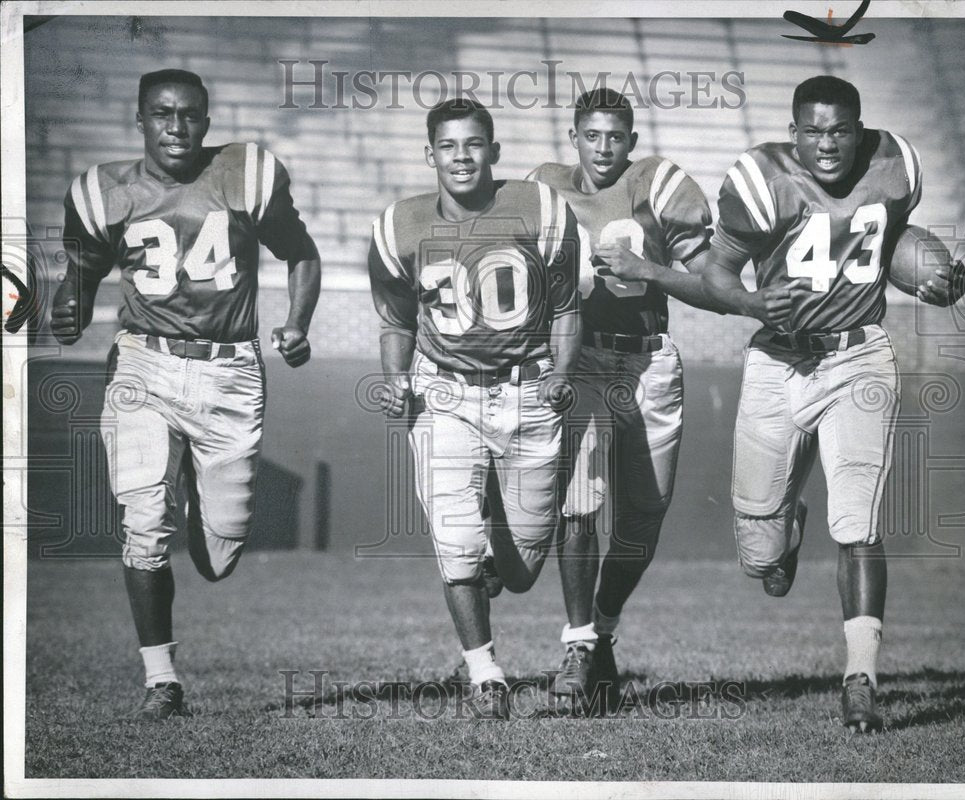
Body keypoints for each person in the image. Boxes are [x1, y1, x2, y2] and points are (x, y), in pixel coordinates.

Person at [49, 69, 321, 720]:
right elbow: (78, 286)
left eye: (191, 115)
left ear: (207, 118)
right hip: (145, 363)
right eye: (163, 114)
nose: (177, 127)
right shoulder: (101, 191)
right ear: (139, 118)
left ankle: (200, 497)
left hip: (229, 371)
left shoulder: (247, 173)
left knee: (220, 557)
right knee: (142, 527)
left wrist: (296, 323)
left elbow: (301, 253)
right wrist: (65, 309)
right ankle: (161, 679)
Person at [701, 75, 965, 732]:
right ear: (795, 132)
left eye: (840, 130)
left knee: (859, 525)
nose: (828, 144)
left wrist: (931, 269)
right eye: (814, 131)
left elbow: (895, 235)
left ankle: (861, 681)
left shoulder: (895, 162)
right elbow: (715, 270)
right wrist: (748, 303)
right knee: (760, 559)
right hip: (780, 359)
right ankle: (785, 526)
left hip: (860, 356)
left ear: (858, 126)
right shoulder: (762, 178)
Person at [368, 98, 581, 720]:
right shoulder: (399, 224)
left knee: (522, 568)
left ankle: (495, 552)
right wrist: (394, 378)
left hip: (528, 387)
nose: (461, 157)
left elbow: (567, 306)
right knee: (456, 542)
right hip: (446, 391)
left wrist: (564, 371)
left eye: (473, 144)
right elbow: (395, 318)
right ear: (429, 152)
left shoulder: (539, 208)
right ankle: (485, 672)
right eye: (448, 146)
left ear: (494, 149)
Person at [529, 89, 723, 706]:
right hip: (581, 358)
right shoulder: (543, 187)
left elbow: (710, 285)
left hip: (649, 357)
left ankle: (604, 627)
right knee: (580, 503)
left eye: (616, 136)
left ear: (632, 141)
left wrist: (649, 273)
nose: (604, 147)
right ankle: (579, 641)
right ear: (574, 136)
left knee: (645, 513)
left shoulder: (660, 186)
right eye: (593, 135)